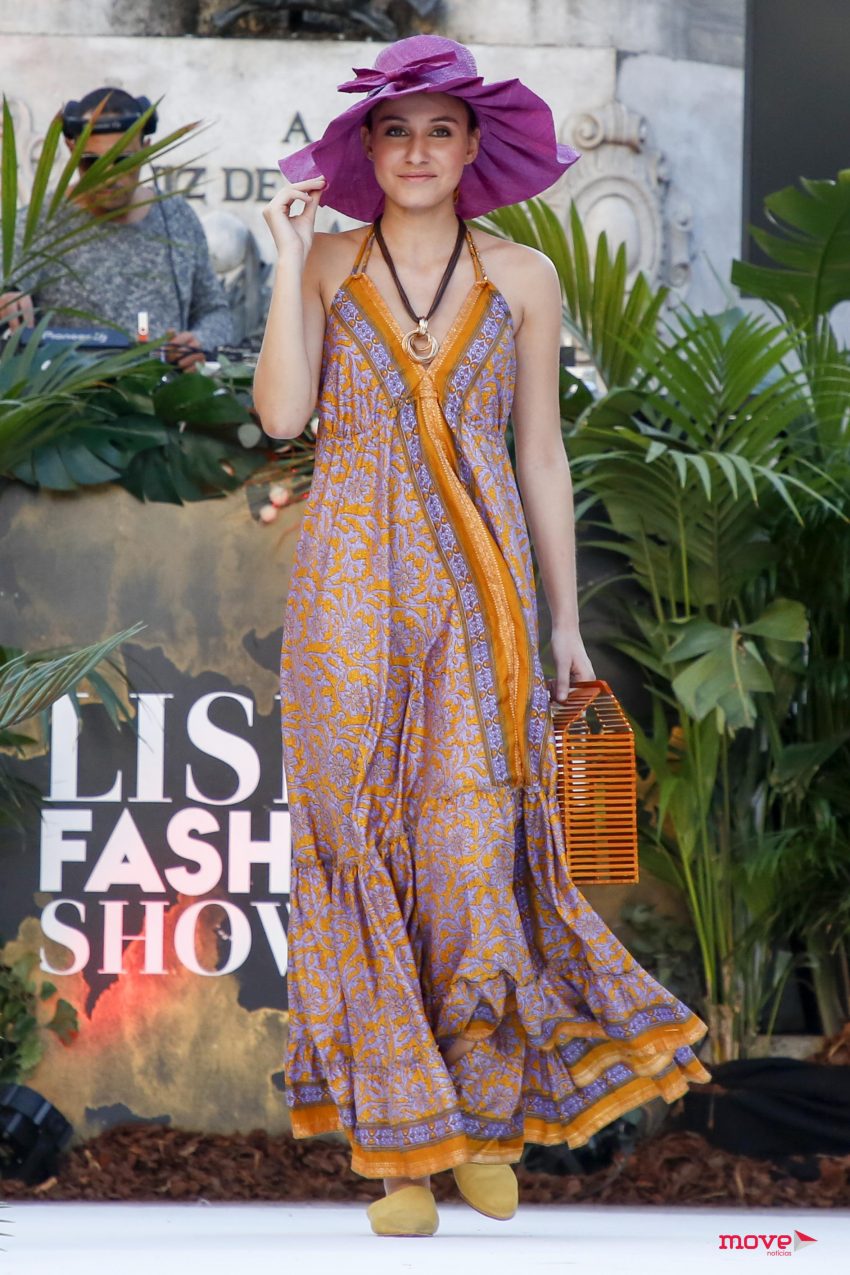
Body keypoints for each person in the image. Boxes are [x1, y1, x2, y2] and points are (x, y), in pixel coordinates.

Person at [254, 35, 711, 1238]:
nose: (416, 151)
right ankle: (401, 1157)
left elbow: (541, 454)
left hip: (480, 593)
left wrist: (566, 622)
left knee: (470, 849)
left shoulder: (522, 275)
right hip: (349, 588)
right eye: (395, 130)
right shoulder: (327, 262)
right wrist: (285, 261)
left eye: (438, 131)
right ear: (366, 147)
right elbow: (284, 415)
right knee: (360, 846)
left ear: (473, 148)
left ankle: (489, 1126)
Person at [0, 87, 232, 369]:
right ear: (72, 150)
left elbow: (216, 313)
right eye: (92, 162)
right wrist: (7, 299)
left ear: (145, 149)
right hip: (66, 393)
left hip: (161, 392)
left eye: (123, 161)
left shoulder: (178, 217)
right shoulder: (37, 222)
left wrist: (198, 341)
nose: (109, 176)